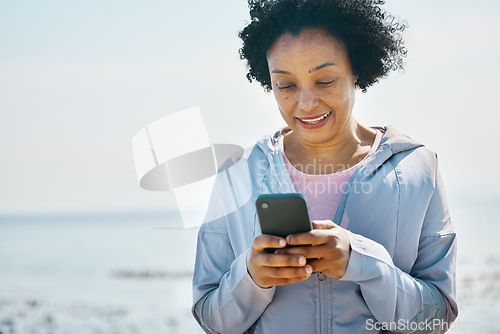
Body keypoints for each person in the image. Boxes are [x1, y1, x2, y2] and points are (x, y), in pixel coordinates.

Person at [192, 0, 458, 333]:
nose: (305, 103)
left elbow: (435, 321)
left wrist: (362, 262)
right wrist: (251, 278)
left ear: (356, 70)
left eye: (325, 80)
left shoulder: (418, 170)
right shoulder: (237, 175)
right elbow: (212, 321)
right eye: (286, 85)